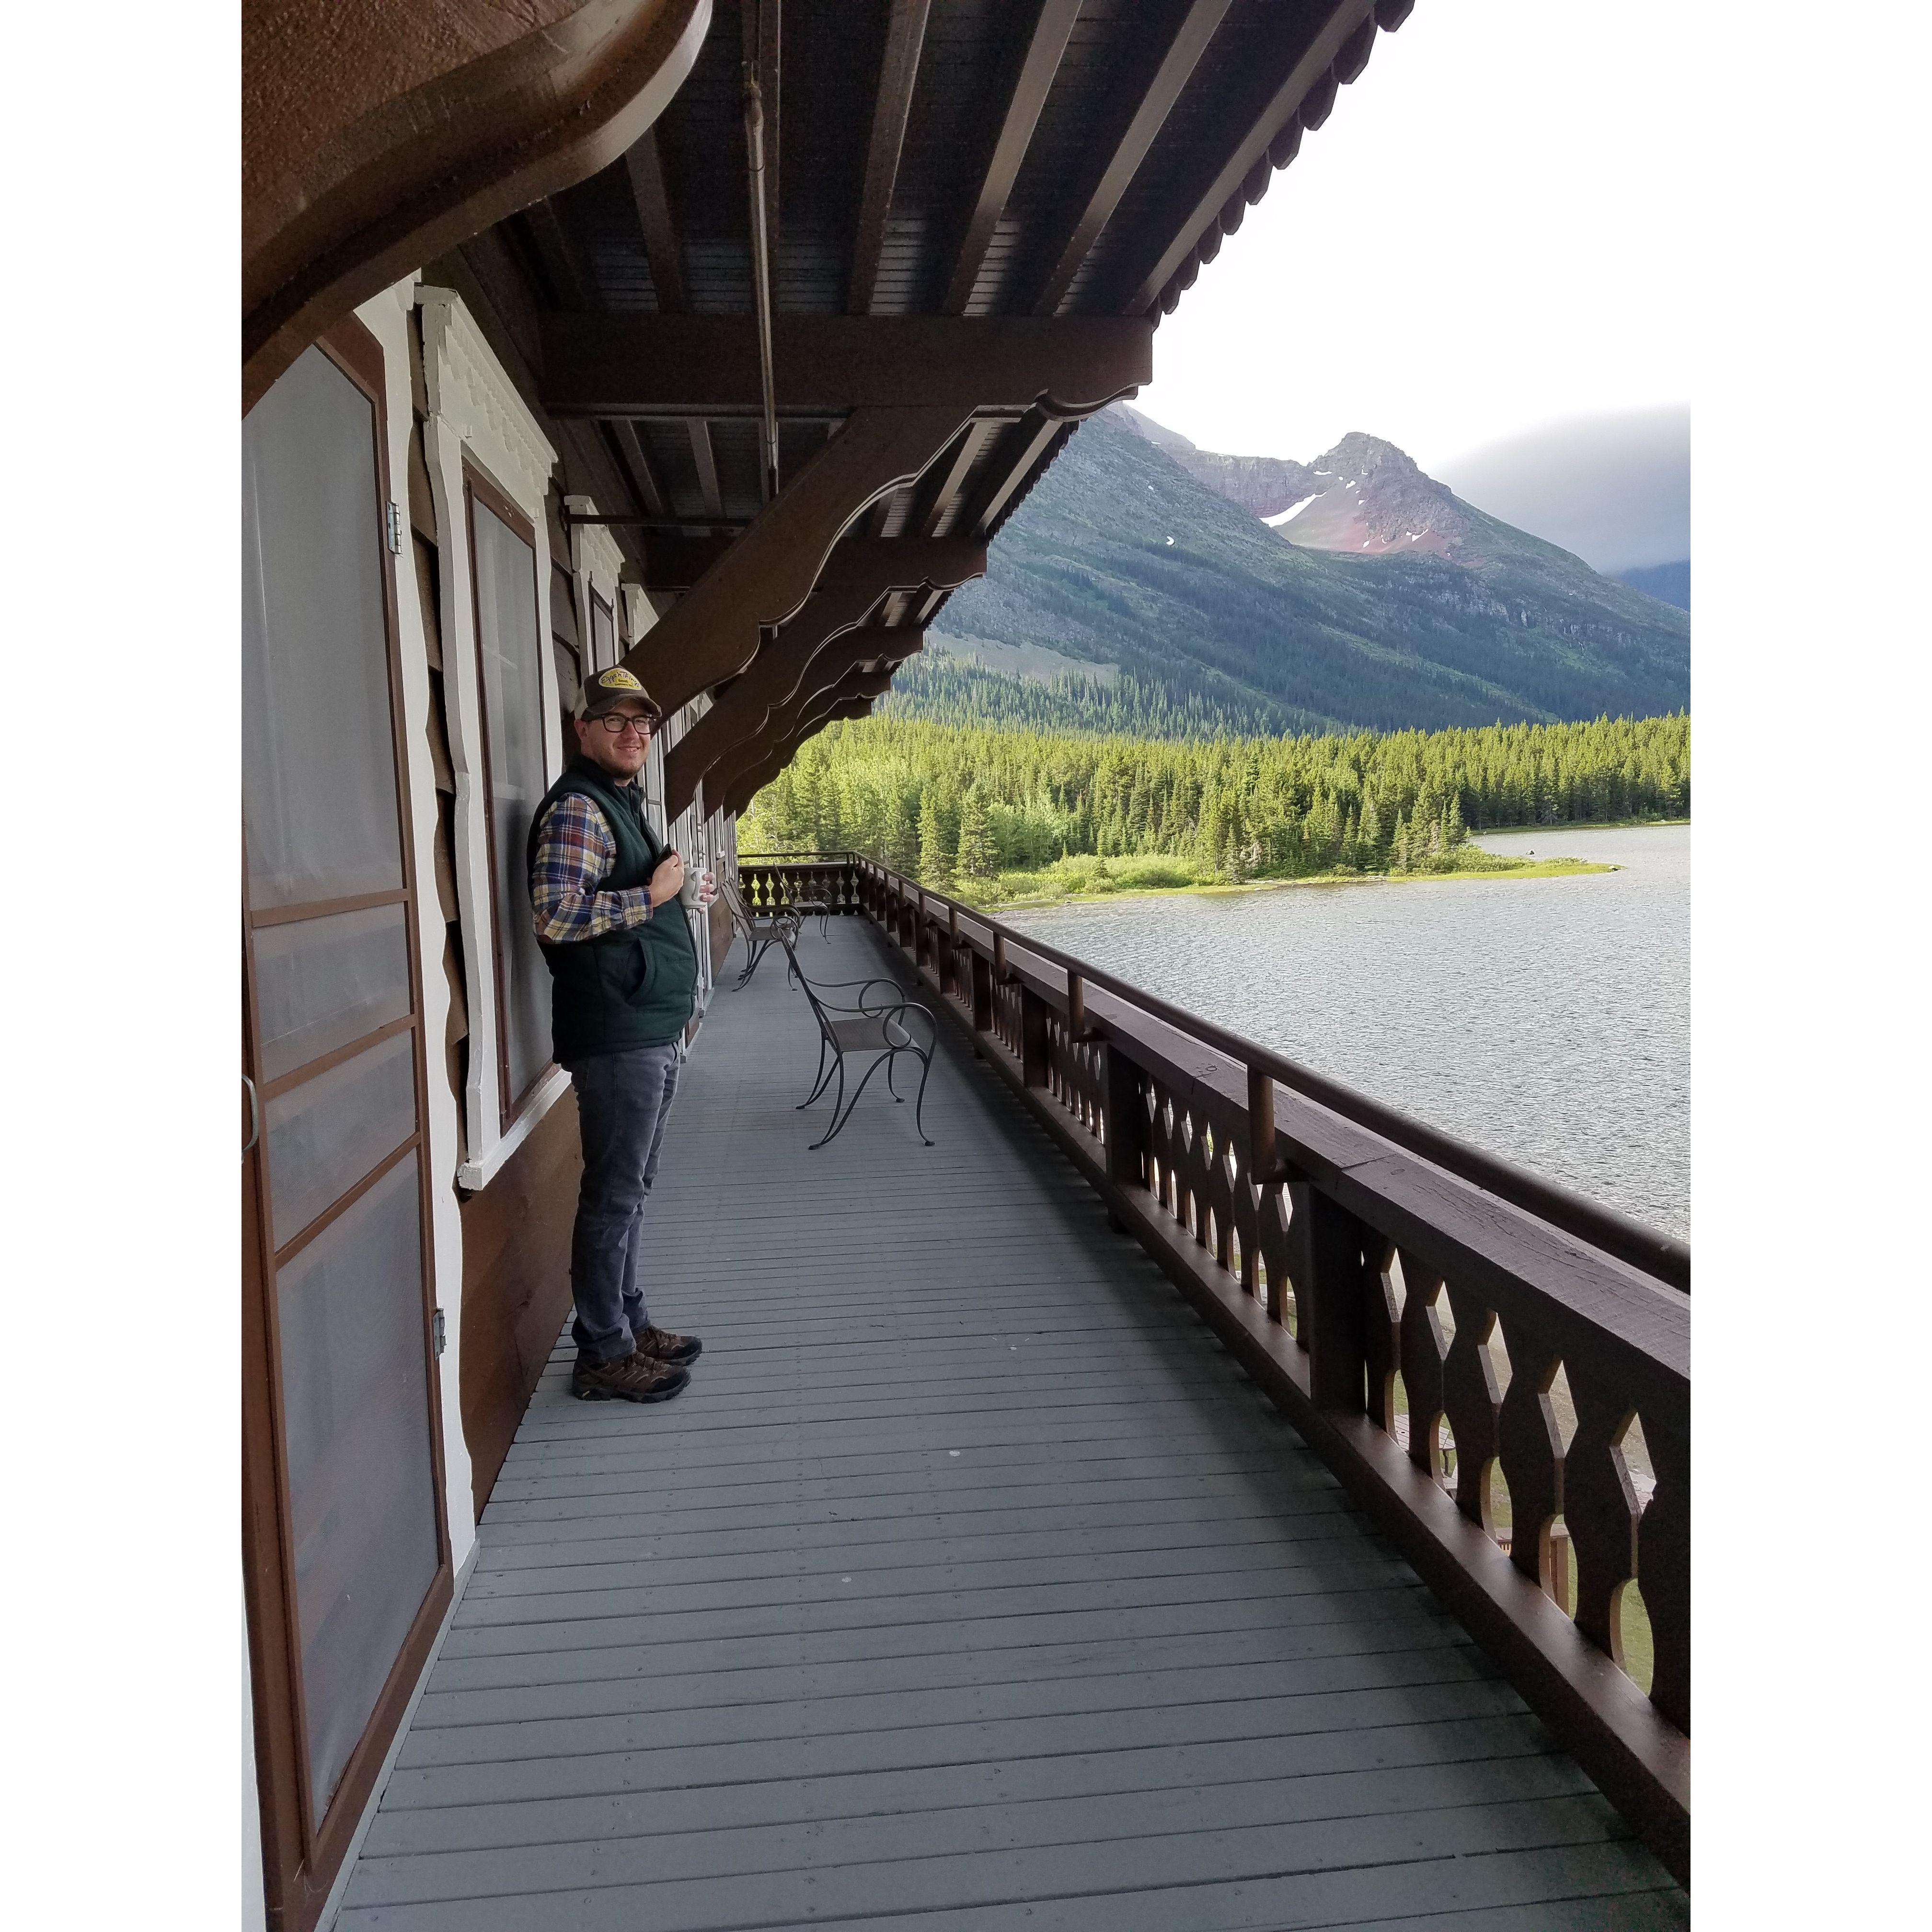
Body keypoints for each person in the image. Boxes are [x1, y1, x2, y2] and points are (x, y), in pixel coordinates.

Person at [527, 665, 713, 1403]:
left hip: (647, 1025)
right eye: (616, 722)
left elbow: (619, 897)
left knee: (631, 1190)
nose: (634, 734)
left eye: (644, 724)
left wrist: (672, 896)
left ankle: (628, 1325)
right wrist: (653, 896)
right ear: (583, 729)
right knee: (613, 1196)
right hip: (616, 1033)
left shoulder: (617, 803)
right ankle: (603, 1352)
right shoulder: (579, 809)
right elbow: (557, 915)